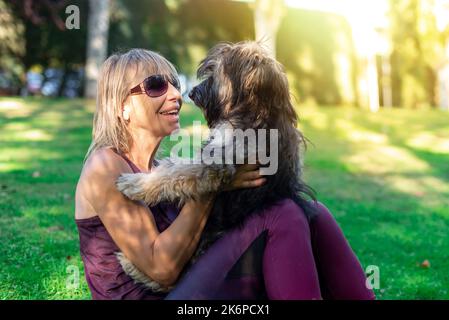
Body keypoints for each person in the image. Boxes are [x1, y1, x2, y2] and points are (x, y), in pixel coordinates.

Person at [75, 48, 375, 300]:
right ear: (122, 106)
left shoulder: (157, 169)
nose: (176, 95)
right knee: (282, 213)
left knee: (312, 211)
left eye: (174, 82)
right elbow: (161, 270)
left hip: (190, 288)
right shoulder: (106, 166)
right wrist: (211, 184)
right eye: (156, 85)